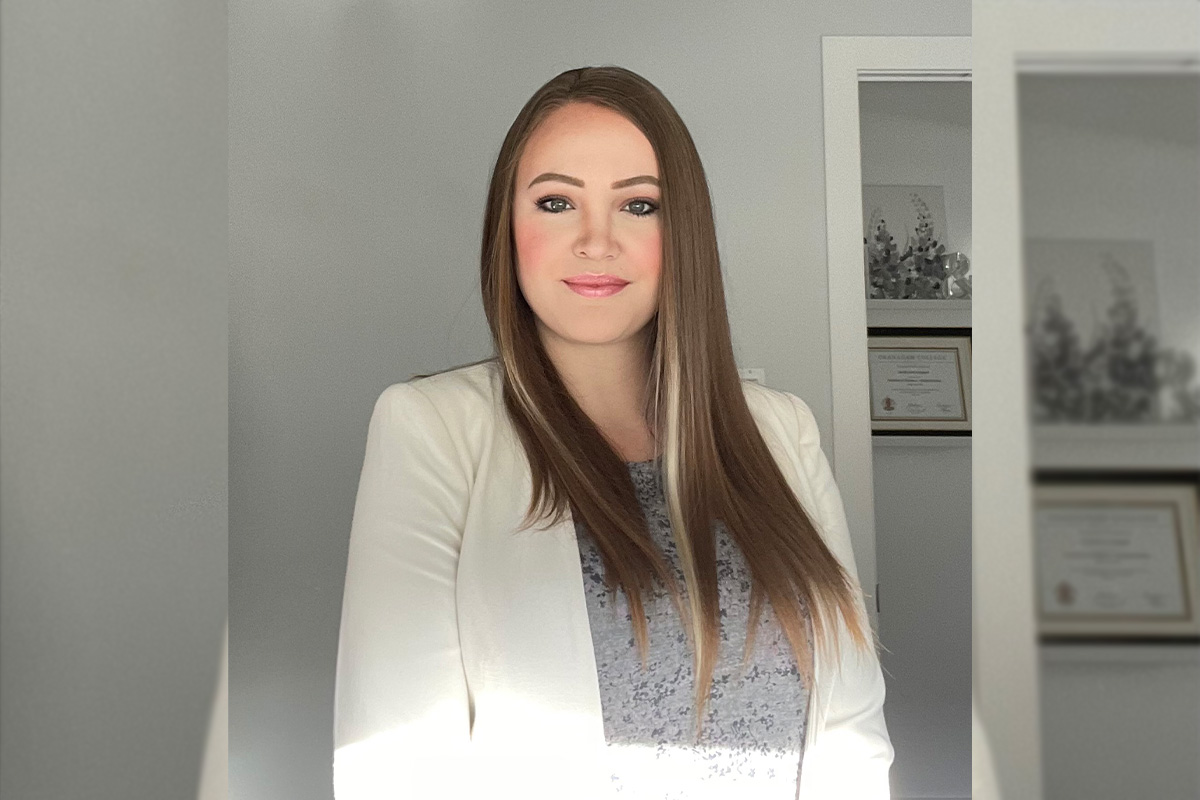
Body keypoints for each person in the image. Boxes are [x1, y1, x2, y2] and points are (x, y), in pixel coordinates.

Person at [333, 65, 892, 800]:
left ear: (681, 231)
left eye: (639, 205)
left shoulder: (781, 431)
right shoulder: (433, 430)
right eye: (557, 202)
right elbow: (398, 764)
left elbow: (851, 730)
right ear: (510, 229)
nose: (596, 242)